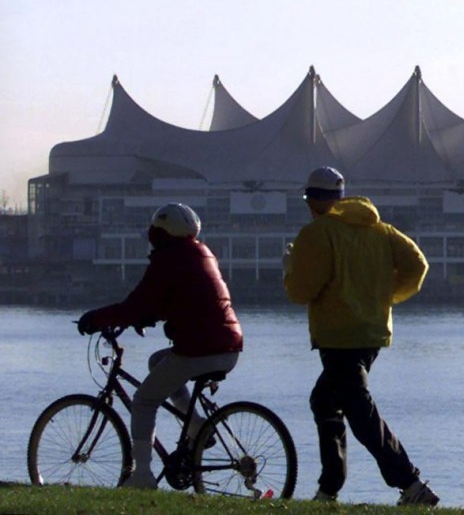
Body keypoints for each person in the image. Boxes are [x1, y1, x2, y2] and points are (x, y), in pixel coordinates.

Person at [283, 166, 439, 506]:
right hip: (371, 332)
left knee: (359, 410)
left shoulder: (317, 233)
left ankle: (410, 484)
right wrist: (385, 296)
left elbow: (301, 289)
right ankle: (329, 488)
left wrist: (290, 267)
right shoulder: (381, 230)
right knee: (325, 401)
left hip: (338, 335)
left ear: (311, 199)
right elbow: (418, 265)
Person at [77, 203, 243, 489]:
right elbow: (185, 297)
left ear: (161, 234)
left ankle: (142, 475)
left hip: (198, 349)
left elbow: (136, 303)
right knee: (157, 361)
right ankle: (198, 427)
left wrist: (95, 318)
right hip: (228, 347)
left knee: (143, 401)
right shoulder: (201, 253)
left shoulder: (169, 259)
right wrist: (150, 317)